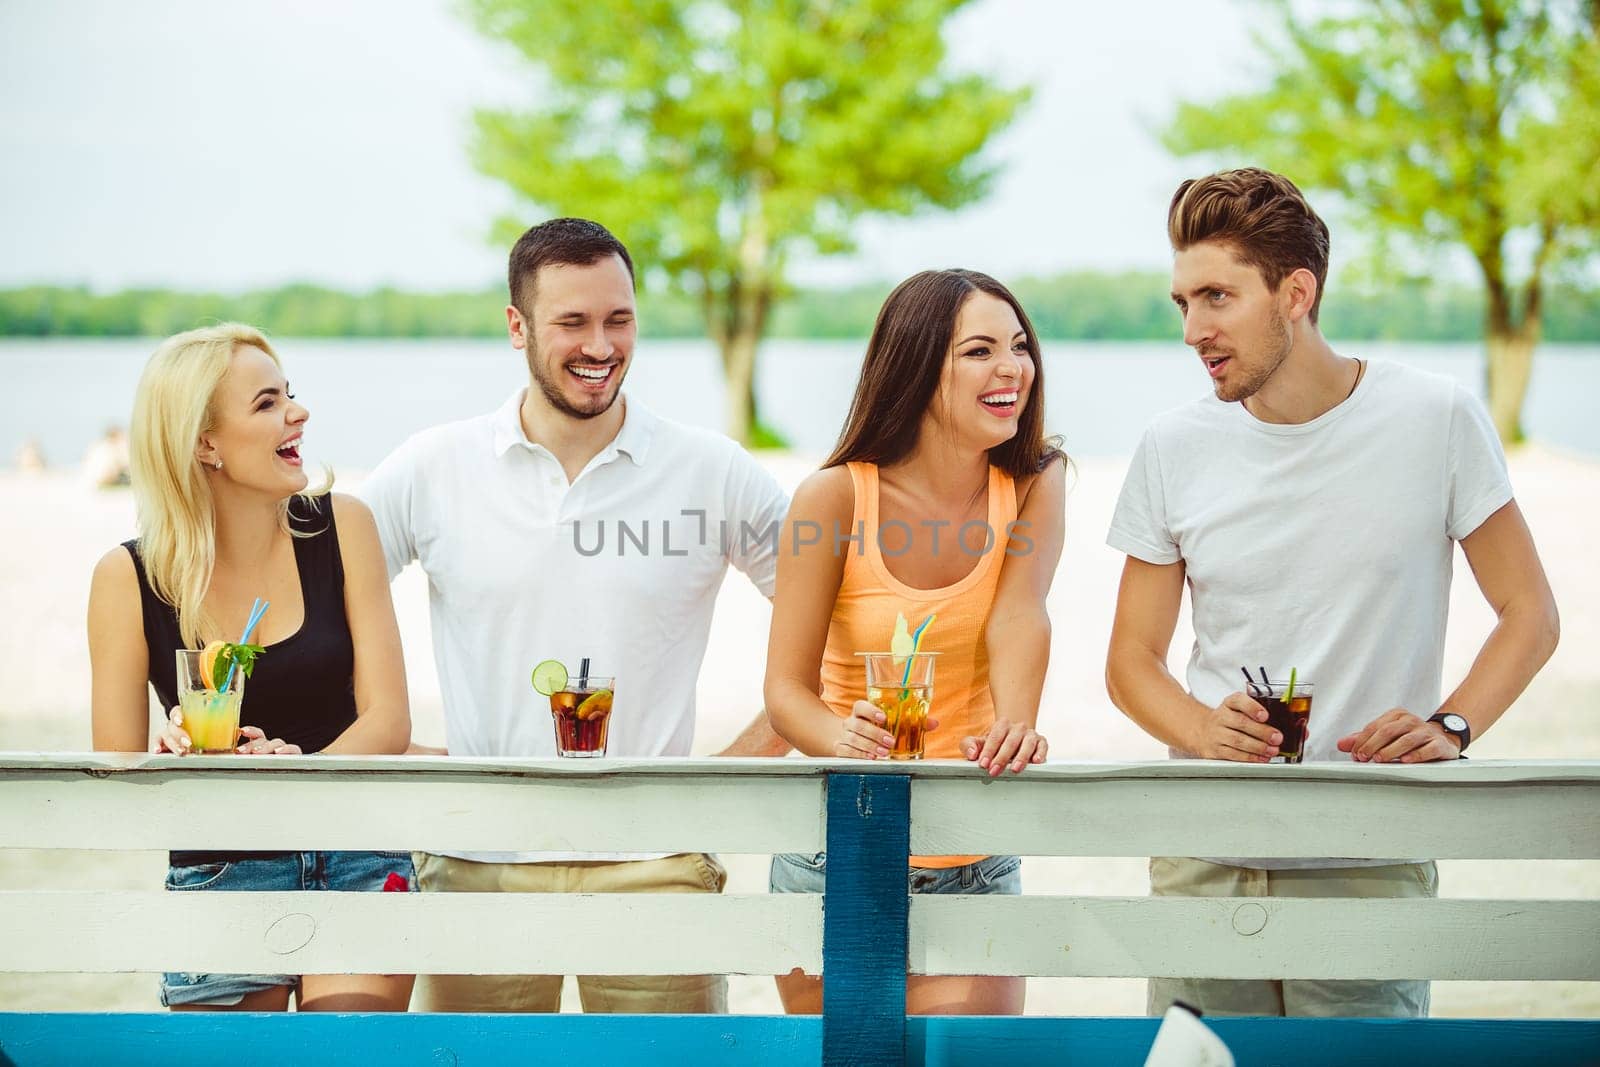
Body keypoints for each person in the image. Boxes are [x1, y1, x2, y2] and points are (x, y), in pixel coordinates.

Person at [1105, 168, 1560, 1018]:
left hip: (1369, 850)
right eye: (1181, 303)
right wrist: (1201, 727)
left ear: (1295, 293)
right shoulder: (1172, 446)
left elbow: (1530, 615)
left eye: (1215, 297)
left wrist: (1452, 725)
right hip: (1207, 851)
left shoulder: (1437, 418)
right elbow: (1131, 662)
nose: (1193, 329)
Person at [359, 217, 792, 1015]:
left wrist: (735, 765)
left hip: (657, 863)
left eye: (618, 319)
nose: (601, 344)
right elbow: (318, 608)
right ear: (517, 327)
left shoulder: (712, 469)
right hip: (474, 856)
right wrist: (411, 748)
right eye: (573, 322)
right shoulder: (431, 466)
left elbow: (834, 617)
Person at [763, 268, 1066, 1016]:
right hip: (835, 858)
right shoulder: (833, 496)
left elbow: (1020, 612)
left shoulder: (1034, 481)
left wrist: (1016, 722)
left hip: (971, 856)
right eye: (979, 351)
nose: (1012, 369)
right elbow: (784, 693)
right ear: (916, 365)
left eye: (1019, 346)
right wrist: (844, 734)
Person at [87, 323, 415, 1012]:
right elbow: (116, 777)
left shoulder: (343, 526)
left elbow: (388, 719)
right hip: (220, 870)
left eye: (289, 395)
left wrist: (294, 772)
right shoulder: (126, 579)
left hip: (355, 854)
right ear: (204, 441)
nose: (298, 412)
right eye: (267, 403)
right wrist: (169, 749)